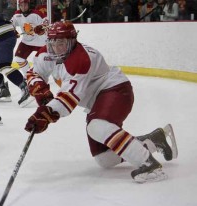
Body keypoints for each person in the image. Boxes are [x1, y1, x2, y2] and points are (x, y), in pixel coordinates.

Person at [24, 21, 178, 183]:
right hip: (97, 100)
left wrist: (45, 114)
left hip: (117, 91)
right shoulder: (46, 53)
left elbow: (67, 100)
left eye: (62, 43)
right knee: (105, 159)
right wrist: (42, 93)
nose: (56, 47)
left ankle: (149, 163)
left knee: (97, 126)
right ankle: (154, 140)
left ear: (72, 41)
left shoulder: (81, 59)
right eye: (53, 42)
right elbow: (33, 74)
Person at [10, 0, 45, 77]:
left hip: (41, 42)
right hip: (26, 42)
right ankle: (30, 76)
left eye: (25, 5)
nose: (23, 7)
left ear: (29, 5)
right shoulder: (17, 15)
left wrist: (41, 28)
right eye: (21, 5)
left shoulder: (37, 14)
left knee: (44, 61)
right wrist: (13, 31)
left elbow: (46, 24)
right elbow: (10, 24)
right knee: (19, 58)